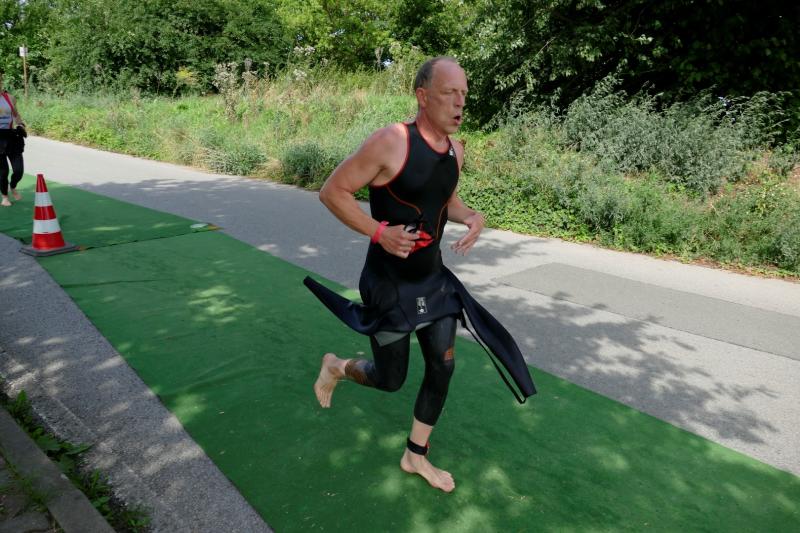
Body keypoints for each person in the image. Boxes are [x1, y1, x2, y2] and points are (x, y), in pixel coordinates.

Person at [304, 57, 535, 493]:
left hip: (433, 279)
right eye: (450, 93)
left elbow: (444, 200)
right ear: (423, 96)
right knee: (390, 379)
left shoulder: (456, 151)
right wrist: (379, 232)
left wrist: (473, 216)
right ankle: (336, 366)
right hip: (389, 285)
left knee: (442, 366)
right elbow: (332, 192)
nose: (460, 102)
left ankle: (415, 455)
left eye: (464, 93)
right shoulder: (392, 141)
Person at [0, 69, 27, 207]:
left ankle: (13, 186)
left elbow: (16, 115)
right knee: (2, 172)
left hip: (11, 137)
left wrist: (20, 124)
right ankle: (4, 196)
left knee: (18, 170)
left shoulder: (10, 98)